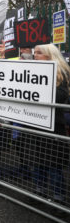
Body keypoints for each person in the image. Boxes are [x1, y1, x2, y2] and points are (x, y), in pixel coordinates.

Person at [32, 43, 70, 203]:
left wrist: (36, 93)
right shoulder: (31, 71)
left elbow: (60, 96)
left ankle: (58, 198)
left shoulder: (60, 73)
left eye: (39, 53)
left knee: (53, 164)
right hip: (34, 123)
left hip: (54, 126)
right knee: (37, 161)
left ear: (49, 55)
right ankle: (38, 191)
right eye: (35, 53)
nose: (35, 55)